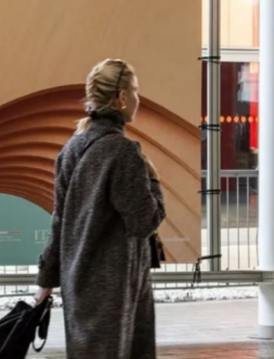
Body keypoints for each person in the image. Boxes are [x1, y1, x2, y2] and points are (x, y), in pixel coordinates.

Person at [34, 59, 166, 359]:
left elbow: (60, 220)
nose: (138, 98)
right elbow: (144, 222)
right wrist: (154, 180)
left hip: (78, 281)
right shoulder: (123, 152)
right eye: (135, 90)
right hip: (115, 288)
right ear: (121, 97)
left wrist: (45, 280)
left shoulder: (71, 149)